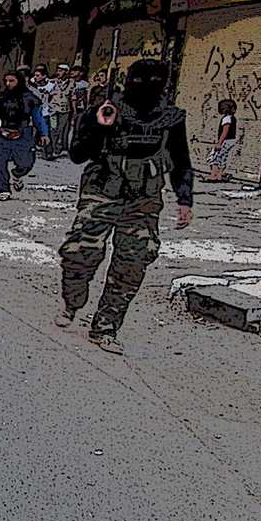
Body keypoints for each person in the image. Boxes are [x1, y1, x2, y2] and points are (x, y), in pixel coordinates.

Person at [55, 59, 194, 355]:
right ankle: (73, 301)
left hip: (143, 199)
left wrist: (185, 199)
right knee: (80, 253)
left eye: (156, 81)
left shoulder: (170, 117)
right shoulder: (105, 110)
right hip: (103, 190)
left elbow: (181, 159)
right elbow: (78, 154)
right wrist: (99, 127)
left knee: (132, 262)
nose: (148, 87)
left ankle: (105, 327)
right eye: (141, 80)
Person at [0, 71, 49, 201]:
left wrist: (43, 133)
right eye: (6, 81)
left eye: (12, 81)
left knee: (26, 163)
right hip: (2, 133)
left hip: (23, 133)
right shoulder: (1, 97)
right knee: (0, 163)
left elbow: (38, 117)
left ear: (19, 81)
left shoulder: (30, 98)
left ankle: (17, 175)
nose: (8, 84)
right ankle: (2, 189)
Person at [206, 99, 239, 182]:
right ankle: (220, 175)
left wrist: (219, 143)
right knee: (222, 158)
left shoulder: (226, 118)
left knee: (214, 157)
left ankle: (214, 175)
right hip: (231, 140)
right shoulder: (232, 118)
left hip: (226, 140)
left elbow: (225, 132)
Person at [28, 65, 55, 158]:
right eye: (35, 75)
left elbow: (52, 98)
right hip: (34, 112)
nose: (36, 77)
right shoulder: (31, 85)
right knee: (32, 132)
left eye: (38, 75)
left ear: (44, 76)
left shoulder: (51, 86)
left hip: (44, 112)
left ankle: (48, 152)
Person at [49, 63, 73, 157]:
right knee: (53, 128)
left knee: (59, 129)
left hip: (64, 109)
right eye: (58, 70)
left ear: (66, 72)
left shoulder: (71, 82)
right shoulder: (53, 81)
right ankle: (51, 148)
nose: (58, 72)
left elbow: (71, 95)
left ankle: (55, 147)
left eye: (61, 71)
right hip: (53, 108)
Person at [68, 65, 89, 147]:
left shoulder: (85, 84)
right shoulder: (68, 82)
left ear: (81, 73)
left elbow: (86, 97)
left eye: (75, 70)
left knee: (76, 128)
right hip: (67, 108)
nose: (72, 72)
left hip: (79, 108)